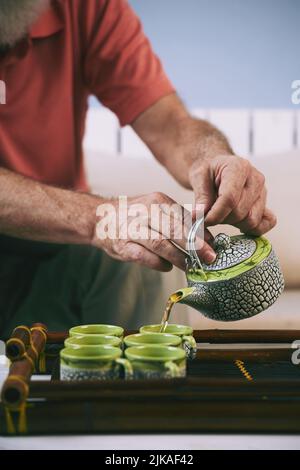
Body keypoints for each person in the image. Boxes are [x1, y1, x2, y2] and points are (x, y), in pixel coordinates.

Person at [0, 0, 276, 338]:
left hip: (56, 254)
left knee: (145, 251)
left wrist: (212, 156)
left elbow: (169, 125)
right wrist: (100, 218)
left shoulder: (87, 8)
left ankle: (148, 388)